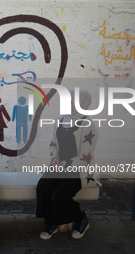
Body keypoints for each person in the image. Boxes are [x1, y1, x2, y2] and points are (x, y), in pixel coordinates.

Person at [36, 88, 99, 240]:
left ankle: (80, 218)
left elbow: (85, 157)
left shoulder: (88, 124)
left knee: (60, 195)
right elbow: (53, 145)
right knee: (43, 187)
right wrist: (54, 158)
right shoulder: (60, 120)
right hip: (59, 166)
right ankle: (53, 221)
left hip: (78, 170)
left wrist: (62, 163)